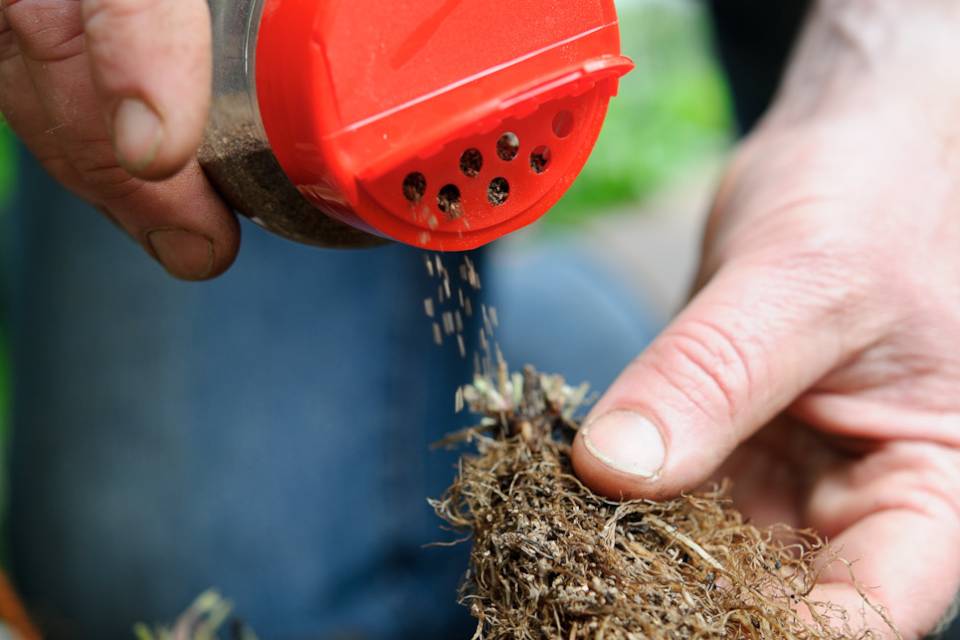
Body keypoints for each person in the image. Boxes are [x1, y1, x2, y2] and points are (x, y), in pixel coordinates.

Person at [1, 0, 958, 638]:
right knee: (160, 558)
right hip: (282, 66)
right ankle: (594, 327)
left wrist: (910, 70)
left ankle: (648, 337)